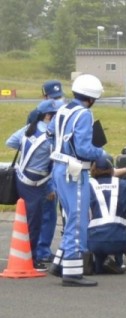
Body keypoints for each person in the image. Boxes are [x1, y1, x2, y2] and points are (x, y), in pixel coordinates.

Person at [47, 74, 105, 287]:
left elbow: (50, 133)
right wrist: (101, 153)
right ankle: (72, 271)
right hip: (74, 170)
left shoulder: (62, 110)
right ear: (92, 98)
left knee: (71, 216)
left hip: (58, 168)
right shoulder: (84, 114)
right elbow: (83, 148)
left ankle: (59, 262)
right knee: (78, 219)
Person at [5, 99, 63, 271]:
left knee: (31, 219)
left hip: (22, 178)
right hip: (36, 182)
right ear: (49, 116)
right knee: (34, 221)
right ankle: (32, 257)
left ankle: (31, 254)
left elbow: (10, 142)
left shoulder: (28, 129)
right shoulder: (51, 137)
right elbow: (55, 161)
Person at [88, 152, 126, 274]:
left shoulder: (88, 186)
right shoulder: (122, 184)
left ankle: (100, 265)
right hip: (120, 242)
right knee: (117, 231)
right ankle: (118, 262)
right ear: (111, 169)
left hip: (95, 243)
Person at [29, 80, 66, 264]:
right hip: (58, 168)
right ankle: (42, 250)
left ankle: (39, 250)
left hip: (44, 170)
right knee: (51, 213)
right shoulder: (68, 109)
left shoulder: (39, 111)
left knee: (42, 213)